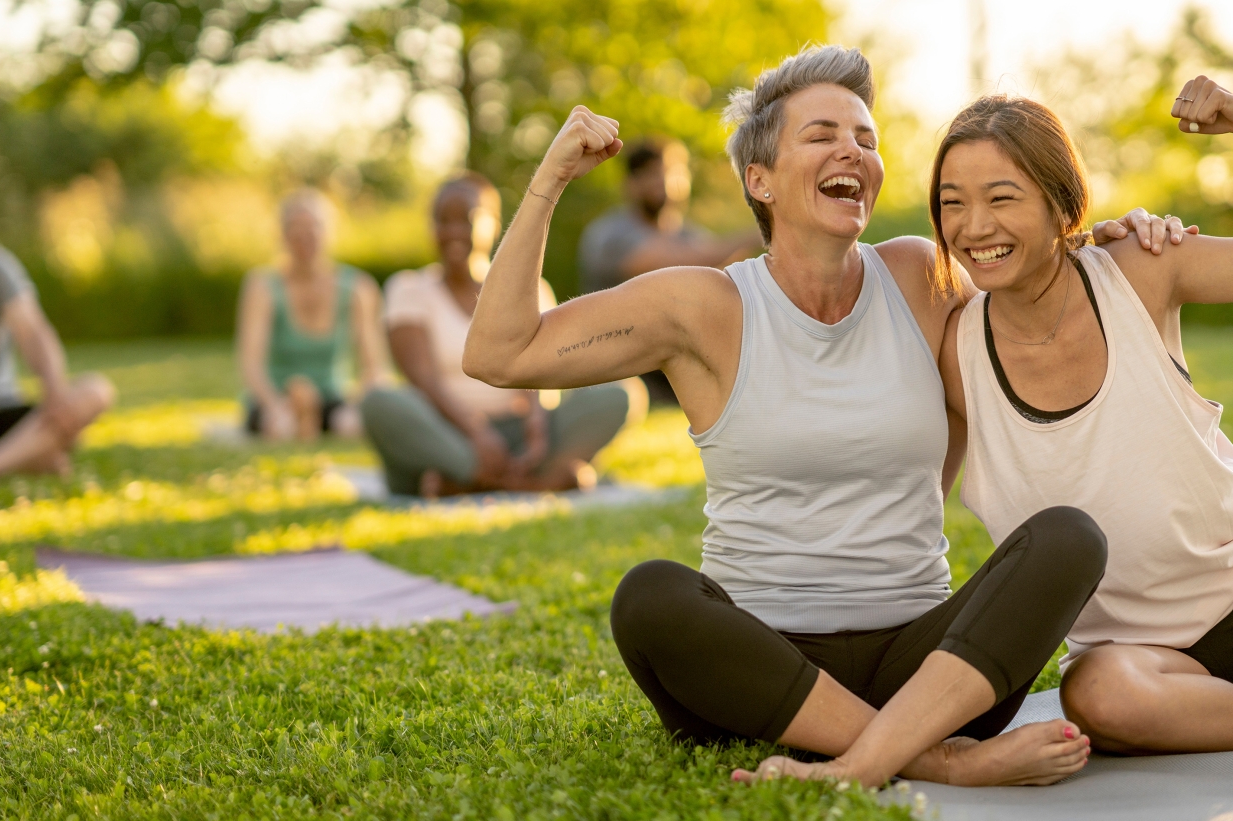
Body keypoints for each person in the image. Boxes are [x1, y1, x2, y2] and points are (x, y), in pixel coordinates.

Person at [462, 45, 1177, 788]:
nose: (853, 151)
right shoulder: (704, 306)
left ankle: (872, 752)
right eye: (823, 135)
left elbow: (1032, 279)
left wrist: (1107, 247)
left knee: (1069, 539)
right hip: (759, 670)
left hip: (924, 669)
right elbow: (500, 353)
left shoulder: (919, 276)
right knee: (650, 594)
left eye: (866, 139)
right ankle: (939, 757)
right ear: (759, 178)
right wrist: (549, 179)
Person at [935, 81, 1233, 758]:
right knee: (1099, 698)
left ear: (1060, 202)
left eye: (1001, 197)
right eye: (953, 203)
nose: (974, 227)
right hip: (1141, 660)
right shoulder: (952, 353)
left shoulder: (1141, 269)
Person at [363, 173, 637, 497]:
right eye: (442, 220)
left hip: (516, 434)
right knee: (378, 403)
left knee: (621, 394)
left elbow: (541, 370)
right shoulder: (409, 288)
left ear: (493, 224)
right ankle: (525, 482)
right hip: (445, 434)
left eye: (464, 219)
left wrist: (536, 424)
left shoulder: (529, 288)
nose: (452, 231)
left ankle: (469, 484)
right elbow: (423, 378)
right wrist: (476, 432)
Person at [0, 166, 115, 485]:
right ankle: (23, 460)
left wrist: (55, 390)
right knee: (49, 450)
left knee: (95, 391)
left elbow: (33, 333)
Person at [577, 137, 759, 403]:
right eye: (649, 174)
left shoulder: (693, 236)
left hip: (678, 362)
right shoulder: (608, 234)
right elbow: (683, 259)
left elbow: (728, 282)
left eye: (670, 172)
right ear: (630, 184)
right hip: (618, 365)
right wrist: (765, 230)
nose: (660, 181)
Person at [236, 189, 390, 441]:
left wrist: (357, 405)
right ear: (282, 235)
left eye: (313, 227)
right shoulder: (262, 286)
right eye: (295, 228)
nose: (303, 236)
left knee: (351, 426)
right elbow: (251, 364)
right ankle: (299, 411)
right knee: (281, 428)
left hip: (332, 398)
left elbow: (374, 366)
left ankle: (311, 413)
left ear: (329, 232)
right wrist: (274, 405)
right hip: (275, 396)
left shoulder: (356, 288)